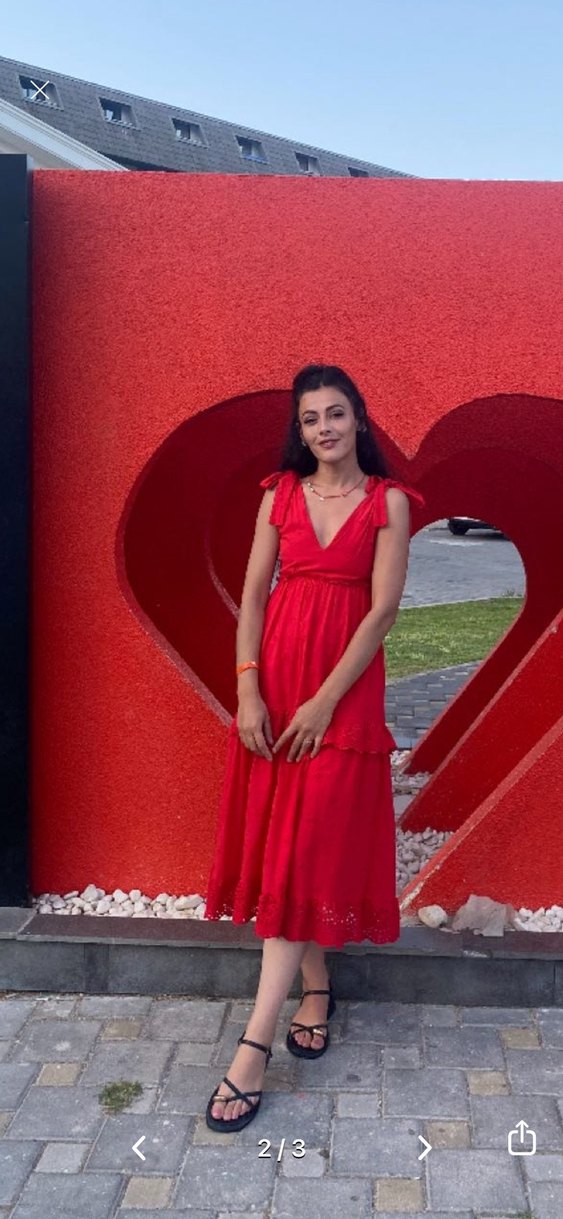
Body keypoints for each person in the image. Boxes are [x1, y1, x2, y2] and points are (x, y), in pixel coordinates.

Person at [203, 363, 425, 1131]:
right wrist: (247, 690)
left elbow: (382, 611)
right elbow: (251, 596)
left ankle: (252, 1045)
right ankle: (317, 983)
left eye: (334, 413)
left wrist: (324, 702)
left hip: (342, 692)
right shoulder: (279, 494)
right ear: (299, 430)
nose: (323, 427)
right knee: (285, 845)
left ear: (358, 418)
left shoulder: (389, 502)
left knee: (308, 844)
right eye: (309, 418)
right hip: (275, 686)